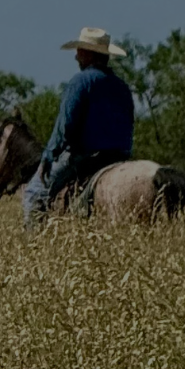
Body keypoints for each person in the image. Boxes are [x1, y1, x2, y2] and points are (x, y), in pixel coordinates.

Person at [22, 27, 135, 227]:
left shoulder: (80, 82)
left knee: (35, 191)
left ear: (88, 54)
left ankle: (34, 244)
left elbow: (65, 127)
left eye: (80, 51)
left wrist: (49, 156)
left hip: (86, 158)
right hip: (120, 156)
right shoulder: (122, 87)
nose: (76, 57)